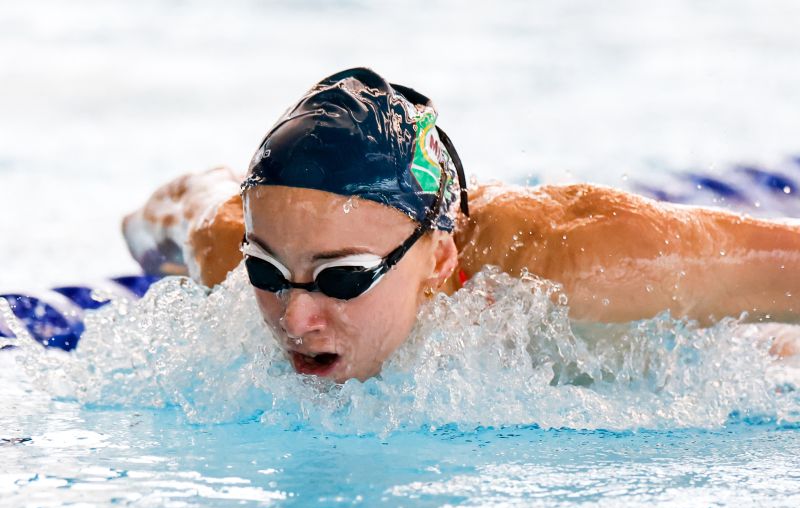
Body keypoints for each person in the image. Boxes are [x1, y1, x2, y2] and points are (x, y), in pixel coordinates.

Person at [123, 67, 800, 383]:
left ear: (441, 260)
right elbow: (160, 215)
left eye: (343, 276)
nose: (295, 318)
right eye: (268, 271)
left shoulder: (585, 261)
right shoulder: (230, 248)